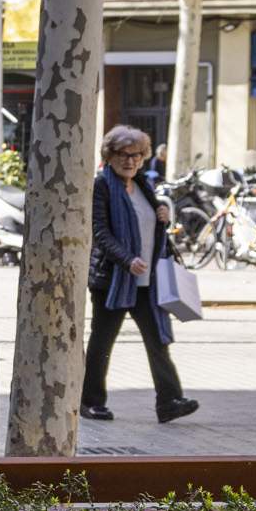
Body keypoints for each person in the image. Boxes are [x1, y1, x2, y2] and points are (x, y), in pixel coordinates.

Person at [85, 124, 198, 424]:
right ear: (109, 156)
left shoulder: (144, 186)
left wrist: (163, 215)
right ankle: (91, 401)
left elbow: (149, 224)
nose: (130, 161)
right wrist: (126, 260)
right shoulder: (102, 186)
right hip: (112, 281)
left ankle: (170, 401)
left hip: (146, 282)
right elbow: (100, 232)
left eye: (136, 155)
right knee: (102, 343)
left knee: (157, 341)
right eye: (123, 154)